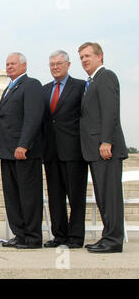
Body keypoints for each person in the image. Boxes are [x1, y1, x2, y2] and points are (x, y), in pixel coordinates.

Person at [78, 42, 128, 253]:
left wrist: (106, 141)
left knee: (110, 196)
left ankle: (114, 240)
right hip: (95, 150)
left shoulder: (105, 77)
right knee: (102, 196)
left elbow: (110, 111)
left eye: (88, 56)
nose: (84, 60)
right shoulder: (92, 82)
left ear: (100, 57)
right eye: (81, 57)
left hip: (106, 149)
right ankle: (108, 236)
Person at [0, 52, 45, 249]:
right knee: (12, 196)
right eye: (7, 64)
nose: (9, 67)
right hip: (7, 152)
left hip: (23, 152)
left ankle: (33, 237)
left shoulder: (31, 85)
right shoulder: (9, 89)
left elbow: (33, 117)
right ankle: (20, 234)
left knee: (28, 195)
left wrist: (23, 144)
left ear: (24, 66)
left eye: (13, 64)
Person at [42, 50, 88, 249]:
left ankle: (76, 237)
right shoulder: (44, 90)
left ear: (68, 65)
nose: (55, 67)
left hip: (73, 151)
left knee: (76, 196)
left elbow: (86, 116)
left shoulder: (80, 86)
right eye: (52, 64)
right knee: (55, 196)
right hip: (51, 152)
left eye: (59, 63)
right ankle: (59, 235)